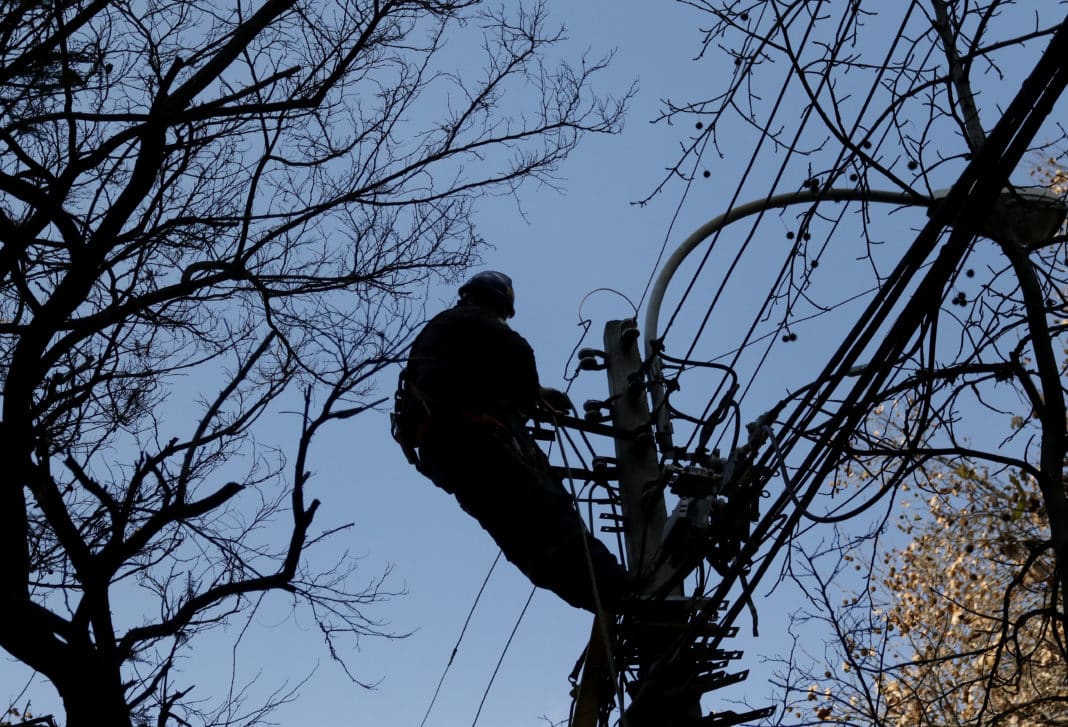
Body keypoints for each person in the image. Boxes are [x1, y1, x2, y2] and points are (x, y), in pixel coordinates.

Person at [394, 271, 633, 613]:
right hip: (481, 443)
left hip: (447, 457)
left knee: (523, 539)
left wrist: (533, 396)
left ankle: (602, 599)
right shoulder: (475, 322)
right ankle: (617, 590)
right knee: (551, 514)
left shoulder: (443, 333)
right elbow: (517, 352)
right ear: (498, 304)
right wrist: (529, 396)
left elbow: (471, 375)